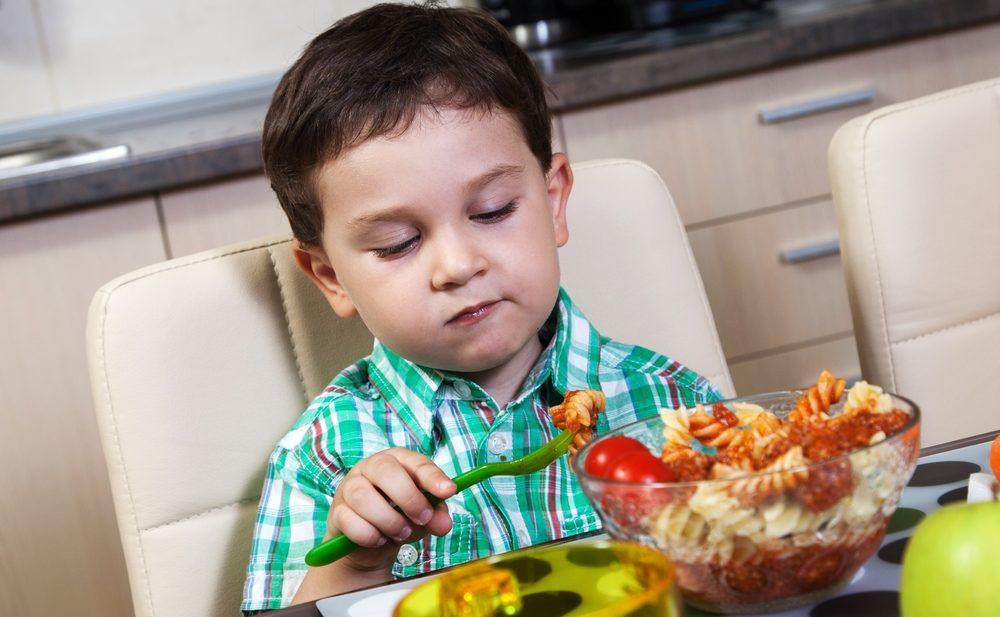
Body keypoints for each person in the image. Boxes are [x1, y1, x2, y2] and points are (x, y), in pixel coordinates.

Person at [241, 2, 721, 611]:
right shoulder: (322, 457)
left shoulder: (677, 406)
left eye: (493, 210)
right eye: (399, 244)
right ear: (331, 277)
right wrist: (359, 563)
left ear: (552, 202)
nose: (458, 265)